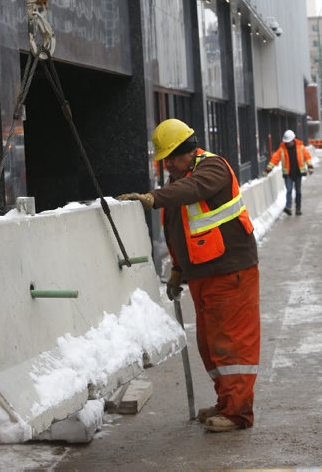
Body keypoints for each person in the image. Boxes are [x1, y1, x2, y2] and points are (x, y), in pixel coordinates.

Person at [119, 118, 260, 433]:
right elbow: (182, 233)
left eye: (171, 157)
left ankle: (239, 413)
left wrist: (155, 197)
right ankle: (226, 403)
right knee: (210, 344)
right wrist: (178, 272)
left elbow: (192, 189)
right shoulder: (180, 179)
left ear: (187, 151)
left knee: (232, 343)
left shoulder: (212, 169)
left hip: (231, 271)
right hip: (204, 273)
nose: (167, 165)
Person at [266, 129, 313, 216]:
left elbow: (307, 157)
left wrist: (310, 167)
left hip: (298, 173)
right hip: (288, 174)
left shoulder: (300, 147)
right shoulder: (282, 149)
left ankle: (298, 208)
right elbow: (275, 158)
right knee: (289, 190)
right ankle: (288, 207)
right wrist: (269, 168)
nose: (288, 144)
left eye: (289, 142)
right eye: (286, 142)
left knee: (298, 191)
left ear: (293, 140)